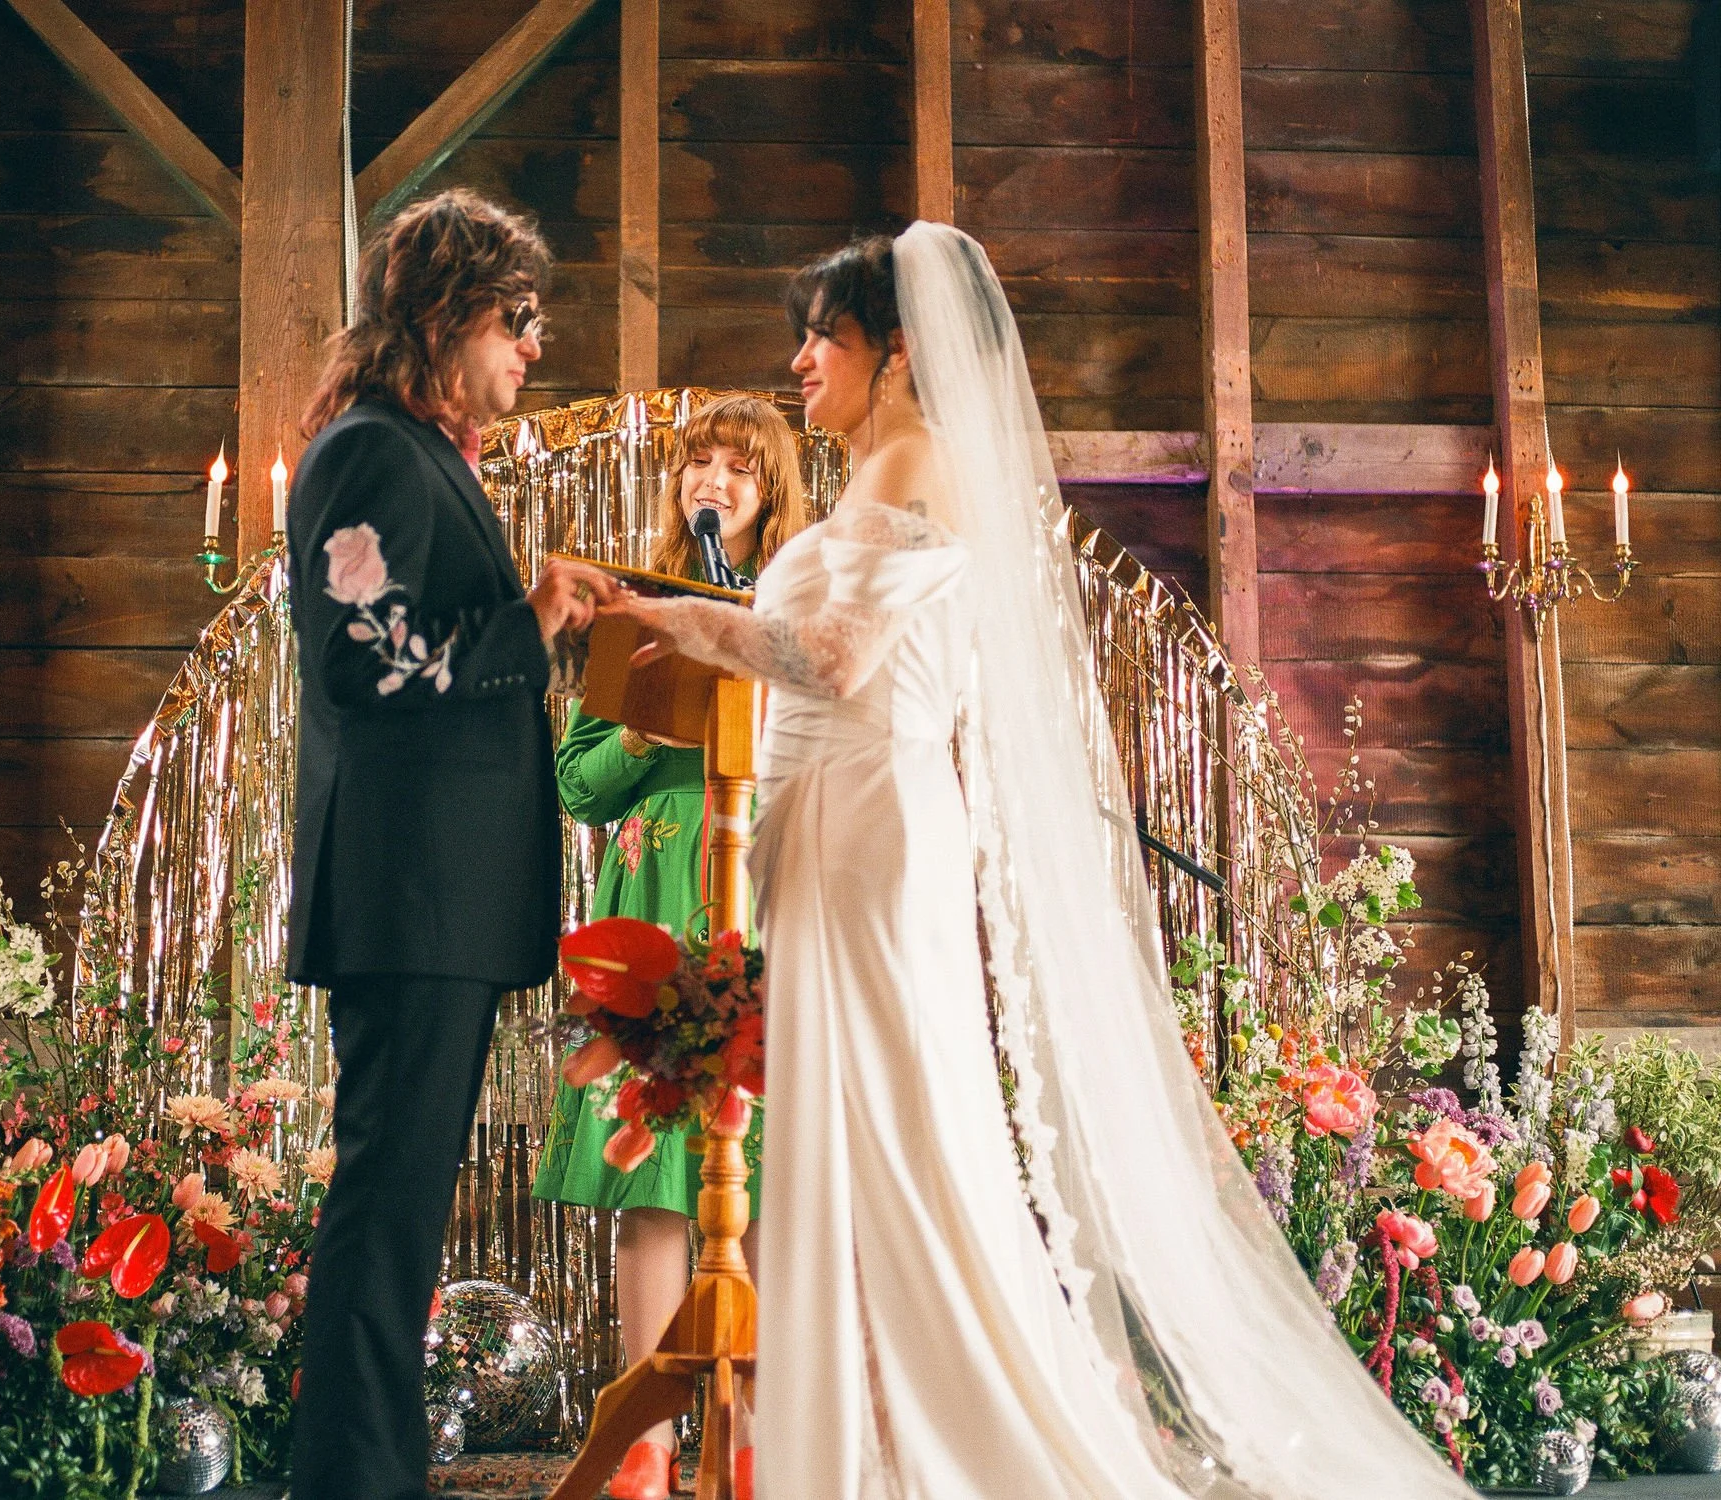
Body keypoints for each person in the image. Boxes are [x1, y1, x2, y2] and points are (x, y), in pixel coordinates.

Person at [601, 225, 1478, 1500]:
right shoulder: (875, 469)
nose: (797, 362)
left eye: (821, 339)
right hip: (823, 822)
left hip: (866, 823)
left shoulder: (927, 465)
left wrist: (671, 618)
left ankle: (918, 1444)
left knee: (894, 1139)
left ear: (895, 355)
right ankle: (854, 1433)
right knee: (846, 1137)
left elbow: (836, 660)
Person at [282, 188, 613, 1500]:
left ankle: (365, 1475)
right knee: (385, 1210)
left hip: (437, 906)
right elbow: (364, 658)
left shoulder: (420, 455)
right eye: (519, 319)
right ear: (450, 313)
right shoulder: (366, 455)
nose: (534, 348)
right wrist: (528, 622)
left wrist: (538, 622)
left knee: (401, 1216)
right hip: (407, 899)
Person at [532, 395, 809, 1500]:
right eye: (698, 462)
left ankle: (762, 1442)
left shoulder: (801, 606)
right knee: (656, 1189)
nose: (714, 481)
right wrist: (646, 716)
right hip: (655, 914)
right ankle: (644, 1451)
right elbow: (573, 783)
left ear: (769, 491)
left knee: (770, 1181)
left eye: (738, 468)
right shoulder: (631, 610)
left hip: (765, 905)